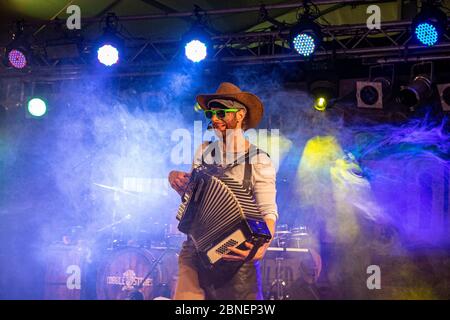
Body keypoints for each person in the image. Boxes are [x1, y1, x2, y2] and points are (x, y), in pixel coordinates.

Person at [168, 82, 278, 300]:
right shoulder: (203, 151)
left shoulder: (259, 161)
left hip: (234, 260)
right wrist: (175, 180)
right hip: (195, 251)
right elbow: (193, 201)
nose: (215, 118)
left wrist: (262, 246)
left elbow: (268, 212)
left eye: (221, 112)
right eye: (211, 113)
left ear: (240, 115)